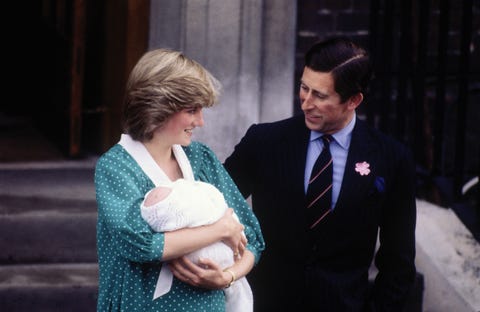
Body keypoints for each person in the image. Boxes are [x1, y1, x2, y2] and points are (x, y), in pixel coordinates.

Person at [223, 37, 417, 311]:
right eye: (304, 88)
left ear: (354, 100)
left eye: (321, 96)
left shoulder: (391, 158)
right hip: (265, 302)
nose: (306, 103)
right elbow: (211, 205)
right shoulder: (263, 141)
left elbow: (399, 260)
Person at [94, 48, 265, 312]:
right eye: (191, 110)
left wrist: (227, 277)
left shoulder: (201, 158)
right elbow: (140, 244)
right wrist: (220, 229)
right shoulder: (116, 167)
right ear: (158, 107)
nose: (200, 121)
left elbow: (252, 239)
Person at [140, 178, 253, 312]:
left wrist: (228, 276)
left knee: (239, 297)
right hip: (161, 302)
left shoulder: (203, 162)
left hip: (217, 294)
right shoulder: (119, 168)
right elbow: (143, 246)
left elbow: (252, 243)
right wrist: (222, 229)